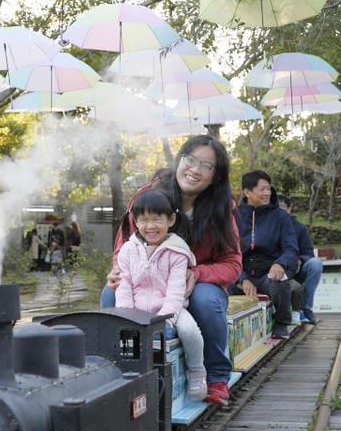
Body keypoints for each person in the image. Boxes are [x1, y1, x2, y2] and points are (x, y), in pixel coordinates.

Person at [103, 136, 242, 407]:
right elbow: (123, 248)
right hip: (147, 283)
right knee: (110, 296)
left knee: (205, 298)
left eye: (206, 166)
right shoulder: (149, 196)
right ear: (179, 160)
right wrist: (117, 272)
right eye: (190, 160)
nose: (195, 169)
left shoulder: (221, 209)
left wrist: (197, 274)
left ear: (215, 177)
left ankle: (216, 376)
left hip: (194, 287)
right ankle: (118, 370)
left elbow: (233, 265)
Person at [115, 189, 207, 401]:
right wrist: (126, 315)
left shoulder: (177, 251)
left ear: (171, 220)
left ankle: (196, 372)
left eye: (157, 219)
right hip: (137, 311)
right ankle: (123, 376)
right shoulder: (128, 250)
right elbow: (124, 284)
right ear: (135, 222)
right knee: (122, 335)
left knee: (190, 330)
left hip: (170, 311)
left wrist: (167, 318)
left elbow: (176, 290)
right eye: (144, 220)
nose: (151, 226)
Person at [232, 171, 298, 340]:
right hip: (243, 270)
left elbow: (291, 249)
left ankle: (281, 323)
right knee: (222, 284)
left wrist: (280, 264)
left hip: (269, 270)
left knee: (280, 281)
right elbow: (229, 252)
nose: (267, 193)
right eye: (262, 189)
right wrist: (242, 278)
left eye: (268, 189)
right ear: (247, 192)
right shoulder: (234, 217)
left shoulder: (281, 216)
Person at [278, 195, 321, 325]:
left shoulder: (299, 228)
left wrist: (300, 260)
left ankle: (306, 308)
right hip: (275, 269)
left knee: (316, 264)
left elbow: (308, 252)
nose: (279, 211)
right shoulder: (268, 226)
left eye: (282, 207)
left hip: (297, 268)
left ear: (289, 209)